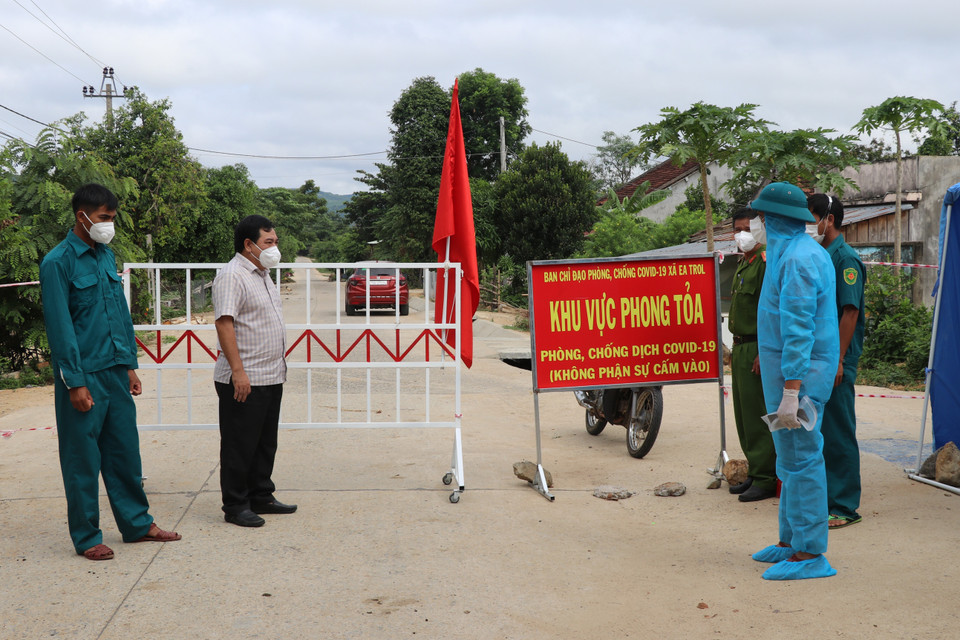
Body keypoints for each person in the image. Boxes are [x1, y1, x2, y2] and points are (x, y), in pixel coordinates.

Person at [39, 183, 181, 561]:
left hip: (115, 373)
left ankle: (137, 524)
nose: (108, 225)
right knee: (82, 459)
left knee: (124, 454)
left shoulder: (106, 256)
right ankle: (87, 537)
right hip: (83, 376)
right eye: (104, 218)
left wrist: (130, 365)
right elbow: (60, 326)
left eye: (112, 219)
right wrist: (75, 382)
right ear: (81, 216)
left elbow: (119, 313)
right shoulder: (58, 262)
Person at [748, 182, 839, 580]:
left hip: (800, 377)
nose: (756, 224)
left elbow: (800, 330)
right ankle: (789, 541)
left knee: (802, 458)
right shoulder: (784, 253)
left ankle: (810, 553)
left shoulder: (800, 259)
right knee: (787, 459)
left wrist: (792, 390)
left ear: (775, 219)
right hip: (784, 372)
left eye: (761, 218)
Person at [213, 214, 296, 527]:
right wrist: (238, 371)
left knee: (264, 441)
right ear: (249, 245)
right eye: (269, 242)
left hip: (271, 374)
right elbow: (224, 322)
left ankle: (261, 494)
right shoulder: (232, 275)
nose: (275, 248)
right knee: (239, 443)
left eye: (275, 241)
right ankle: (235, 504)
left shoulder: (263, 274)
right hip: (245, 377)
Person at [807, 194, 866, 529]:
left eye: (811, 217)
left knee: (839, 429)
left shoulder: (845, 260)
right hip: (823, 356)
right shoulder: (822, 255)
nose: (807, 225)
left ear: (828, 219)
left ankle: (844, 506)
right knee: (821, 428)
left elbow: (851, 312)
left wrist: (839, 360)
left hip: (837, 358)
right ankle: (827, 498)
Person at [728, 207, 777, 502]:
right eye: (737, 229)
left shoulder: (764, 262)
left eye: (747, 228)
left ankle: (766, 477)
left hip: (756, 346)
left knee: (759, 414)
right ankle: (756, 470)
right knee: (743, 414)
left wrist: (763, 350)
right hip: (740, 346)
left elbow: (769, 310)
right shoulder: (744, 262)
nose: (742, 234)